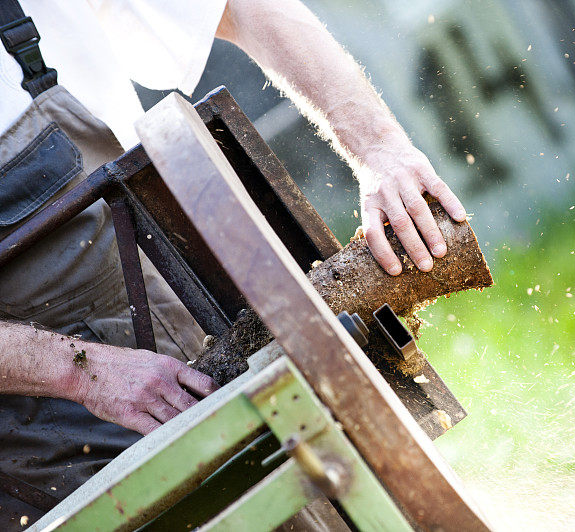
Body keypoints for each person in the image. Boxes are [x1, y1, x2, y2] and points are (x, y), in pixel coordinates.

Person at [0, 0, 467, 528]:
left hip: (184, 315)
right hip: (46, 444)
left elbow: (242, 8)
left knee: (348, 499)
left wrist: (379, 148)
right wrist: (80, 372)